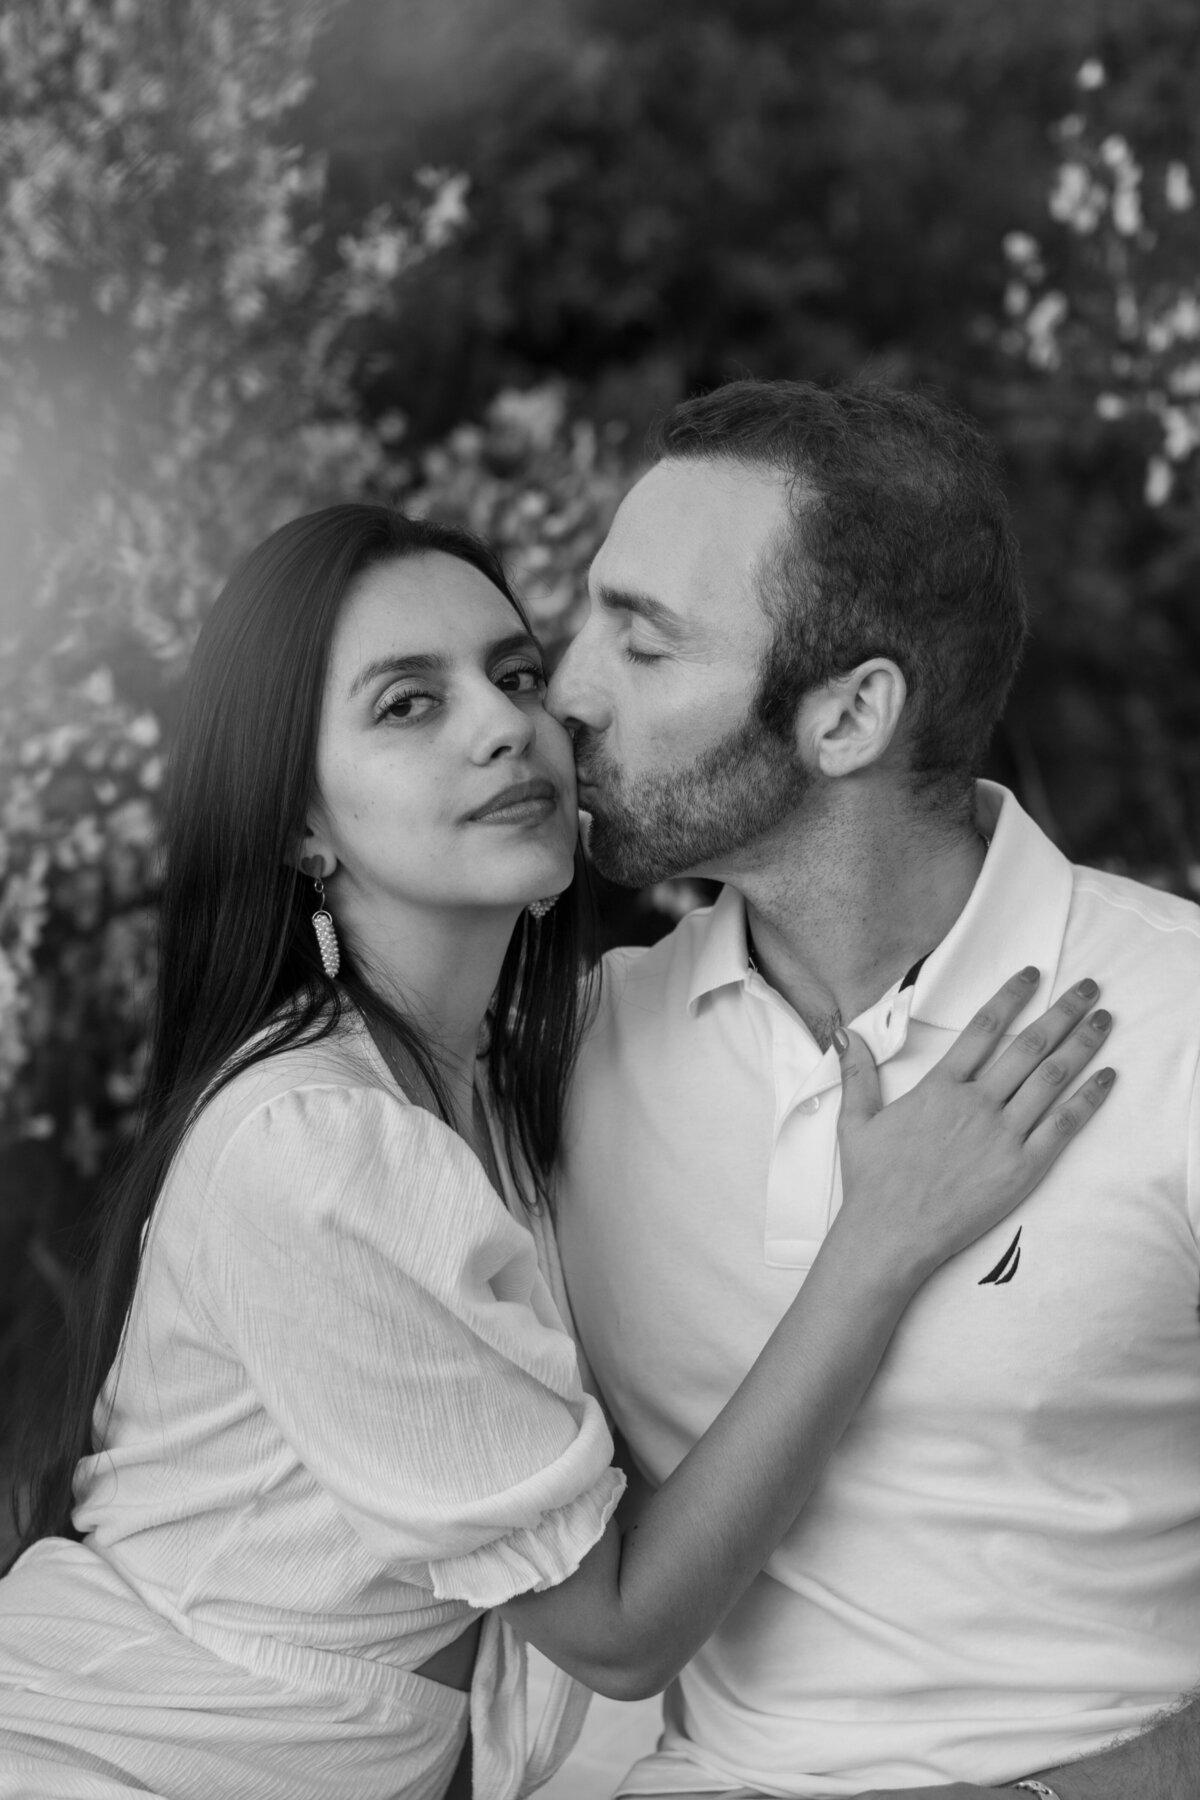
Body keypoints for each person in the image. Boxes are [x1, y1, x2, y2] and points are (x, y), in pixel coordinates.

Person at [0, 506, 1109, 1800]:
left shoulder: (511, 1081)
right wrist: (878, 1243)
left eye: (515, 675)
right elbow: (618, 1629)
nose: (502, 724)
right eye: (407, 705)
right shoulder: (317, 1145)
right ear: (303, 827)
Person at [548, 378, 1200, 1800]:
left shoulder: (1181, 1023)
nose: (569, 689)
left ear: (849, 717)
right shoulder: (575, 1053)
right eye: (589, 616)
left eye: (643, 645)